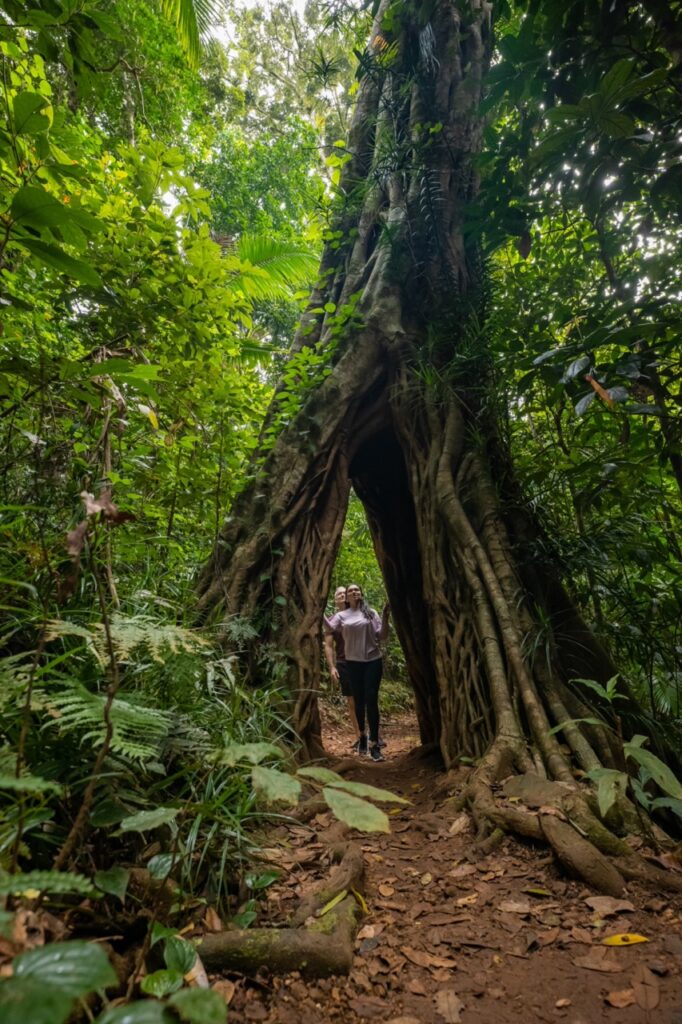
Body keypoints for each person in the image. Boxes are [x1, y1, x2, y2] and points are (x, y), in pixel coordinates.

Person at [325, 583, 390, 762]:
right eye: (350, 591)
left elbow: (382, 636)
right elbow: (329, 628)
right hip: (353, 663)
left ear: (361, 593)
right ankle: (362, 735)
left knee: (371, 699)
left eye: (357, 590)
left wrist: (385, 616)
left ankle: (374, 744)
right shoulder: (341, 616)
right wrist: (319, 611)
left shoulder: (371, 613)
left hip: (373, 661)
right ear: (346, 596)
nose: (354, 592)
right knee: (359, 702)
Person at [324, 586, 361, 748]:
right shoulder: (332, 620)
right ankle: (360, 736)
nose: (341, 595)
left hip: (361, 661)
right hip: (344, 663)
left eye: (343, 593)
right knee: (351, 701)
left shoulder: (355, 613)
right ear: (334, 598)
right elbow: (328, 645)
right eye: (338, 593)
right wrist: (332, 667)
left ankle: (371, 734)